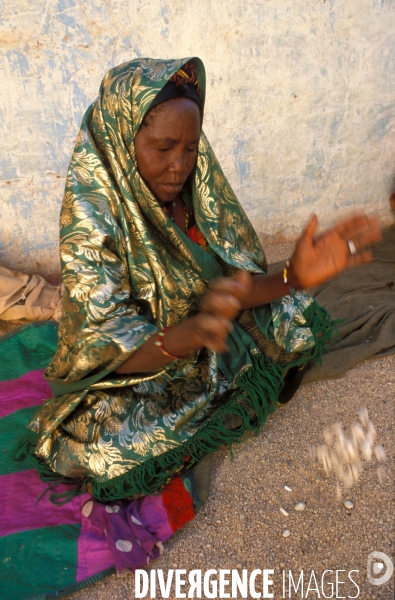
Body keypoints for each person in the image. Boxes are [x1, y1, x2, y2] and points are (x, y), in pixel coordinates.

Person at [16, 57, 381, 506]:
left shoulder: (195, 186)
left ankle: (221, 381)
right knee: (102, 448)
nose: (180, 166)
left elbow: (234, 285)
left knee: (293, 314)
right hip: (135, 366)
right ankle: (225, 384)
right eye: (164, 148)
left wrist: (293, 276)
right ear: (122, 139)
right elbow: (105, 345)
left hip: (205, 334)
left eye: (190, 148)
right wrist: (186, 336)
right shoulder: (93, 220)